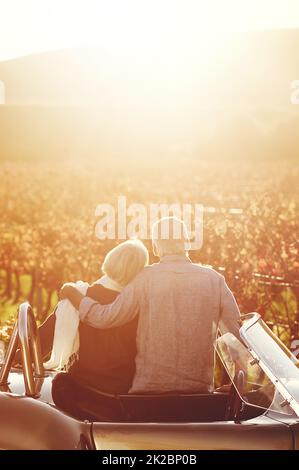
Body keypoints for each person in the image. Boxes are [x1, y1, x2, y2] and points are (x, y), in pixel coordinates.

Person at [61, 216, 241, 397]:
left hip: (149, 395)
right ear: (186, 243)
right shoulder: (214, 280)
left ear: (155, 246)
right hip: (199, 394)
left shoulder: (144, 278)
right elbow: (235, 335)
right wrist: (237, 382)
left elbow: (106, 317)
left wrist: (72, 293)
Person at [16, 239, 149, 417]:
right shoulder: (140, 305)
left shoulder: (80, 296)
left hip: (86, 388)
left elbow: (42, 342)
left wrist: (16, 358)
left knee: (60, 382)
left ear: (110, 261)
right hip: (125, 391)